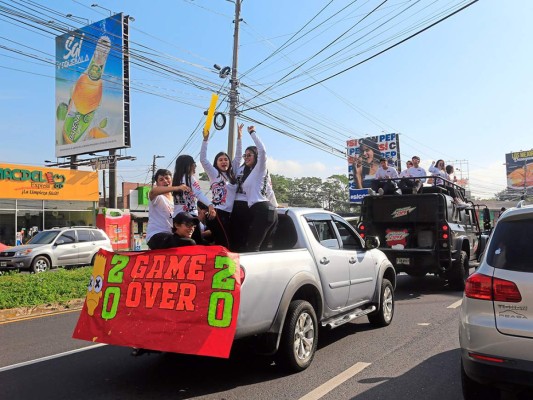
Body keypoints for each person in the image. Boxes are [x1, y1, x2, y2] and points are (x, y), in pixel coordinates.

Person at [230, 125, 278, 252]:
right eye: (245, 156)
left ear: (256, 155)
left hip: (262, 210)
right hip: (263, 210)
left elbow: (262, 150)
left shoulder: (260, 168)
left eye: (249, 155)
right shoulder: (248, 172)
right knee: (260, 247)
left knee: (253, 247)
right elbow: (267, 190)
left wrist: (252, 133)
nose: (246, 158)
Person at [200, 123, 243, 248]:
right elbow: (203, 159)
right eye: (220, 160)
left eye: (226, 159)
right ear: (216, 163)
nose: (224, 161)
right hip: (218, 212)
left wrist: (239, 137)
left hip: (230, 213)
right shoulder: (214, 174)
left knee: (228, 242)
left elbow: (239, 156)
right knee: (225, 243)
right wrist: (205, 140)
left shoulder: (232, 174)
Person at [172, 154, 216, 245]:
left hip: (177, 218)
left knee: (182, 245)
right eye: (194, 164)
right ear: (188, 166)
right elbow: (199, 194)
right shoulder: (189, 178)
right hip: (189, 218)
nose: (195, 166)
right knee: (197, 244)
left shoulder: (176, 180)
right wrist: (210, 205)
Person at [145, 169, 191, 250]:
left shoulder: (177, 200)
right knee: (187, 242)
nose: (165, 181)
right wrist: (177, 188)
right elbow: (153, 192)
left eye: (167, 178)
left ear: (171, 180)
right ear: (157, 183)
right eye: (161, 179)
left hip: (172, 236)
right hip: (156, 235)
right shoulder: (157, 198)